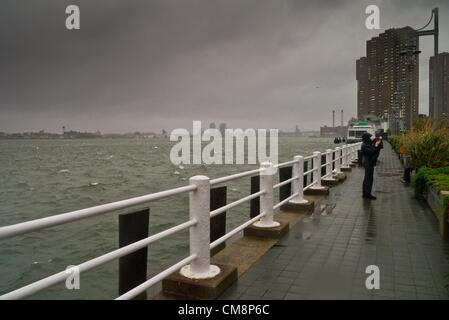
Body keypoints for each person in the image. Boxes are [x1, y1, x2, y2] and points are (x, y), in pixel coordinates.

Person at [361, 132, 381, 200]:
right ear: (366, 139)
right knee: (368, 178)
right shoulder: (364, 146)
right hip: (368, 163)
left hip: (369, 162)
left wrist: (376, 140)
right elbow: (371, 151)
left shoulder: (366, 144)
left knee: (368, 178)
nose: (370, 139)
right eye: (369, 138)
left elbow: (371, 144)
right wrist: (376, 145)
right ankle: (367, 194)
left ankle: (365, 193)